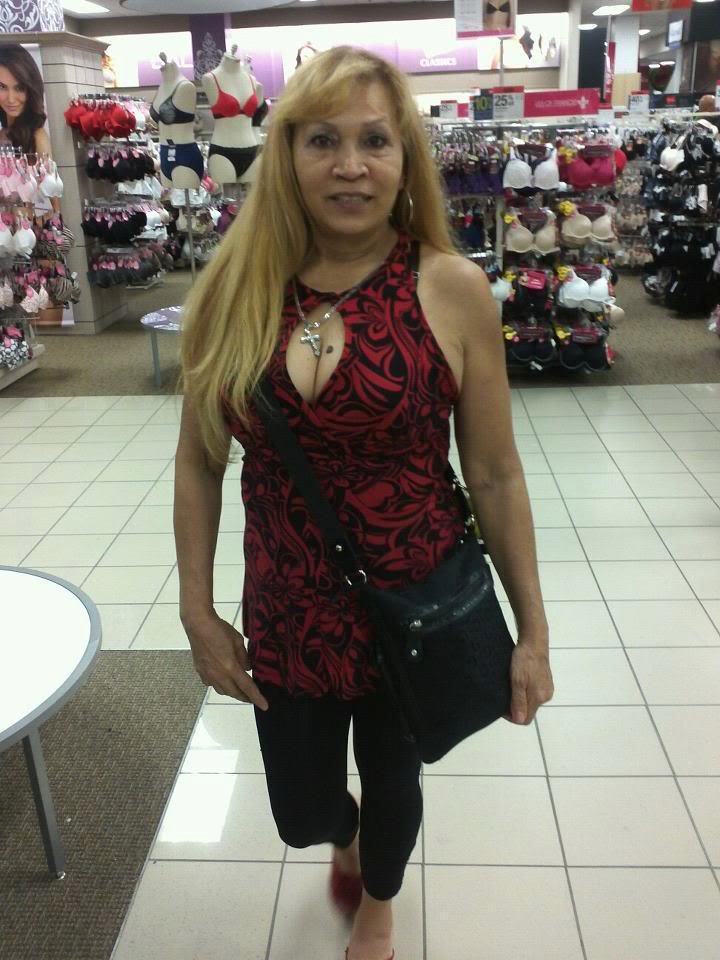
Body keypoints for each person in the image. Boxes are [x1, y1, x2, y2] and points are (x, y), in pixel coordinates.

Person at [174, 45, 553, 960]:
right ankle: (338, 837)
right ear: (288, 156)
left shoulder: (450, 288)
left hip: (411, 602)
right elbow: (198, 459)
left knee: (394, 779)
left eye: (374, 141)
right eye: (323, 141)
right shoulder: (234, 288)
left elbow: (495, 473)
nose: (350, 165)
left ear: (405, 156)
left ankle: (379, 901)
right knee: (302, 810)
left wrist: (533, 629)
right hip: (287, 606)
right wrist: (196, 609)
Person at [0, 45, 51, 157]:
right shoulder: (3, 133)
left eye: (19, 88)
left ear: (31, 90)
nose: (11, 99)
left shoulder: (37, 138)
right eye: (2, 87)